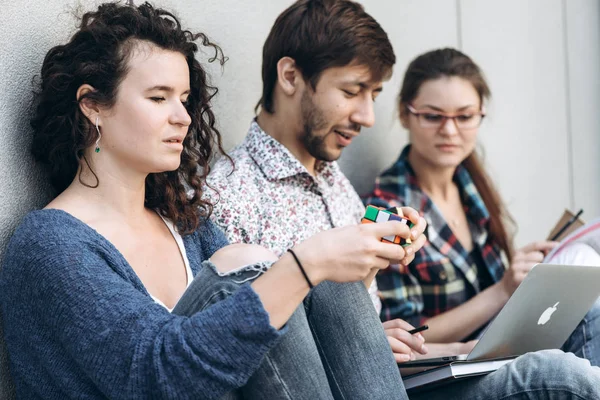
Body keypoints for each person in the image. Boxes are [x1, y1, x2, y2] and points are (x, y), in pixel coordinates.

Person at [0, 3, 425, 399]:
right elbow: (156, 373)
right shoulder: (48, 245)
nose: (183, 117)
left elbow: (277, 348)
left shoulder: (188, 225)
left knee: (316, 282)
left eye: (184, 100)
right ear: (93, 106)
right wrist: (304, 264)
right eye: (158, 97)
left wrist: (359, 260)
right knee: (246, 273)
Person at [203, 2, 600, 398]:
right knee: (560, 376)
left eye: (373, 94)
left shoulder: (339, 188)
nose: (367, 116)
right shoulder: (228, 196)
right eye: (351, 91)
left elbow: (368, 328)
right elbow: (239, 351)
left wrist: (426, 345)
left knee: (590, 323)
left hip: (397, 376)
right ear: (290, 76)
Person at [362, 47, 600, 365]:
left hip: (497, 350)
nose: (450, 130)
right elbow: (402, 337)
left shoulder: (471, 188)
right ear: (406, 114)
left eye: (464, 116)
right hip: (445, 370)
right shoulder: (389, 210)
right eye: (433, 116)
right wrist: (502, 291)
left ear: (480, 115)